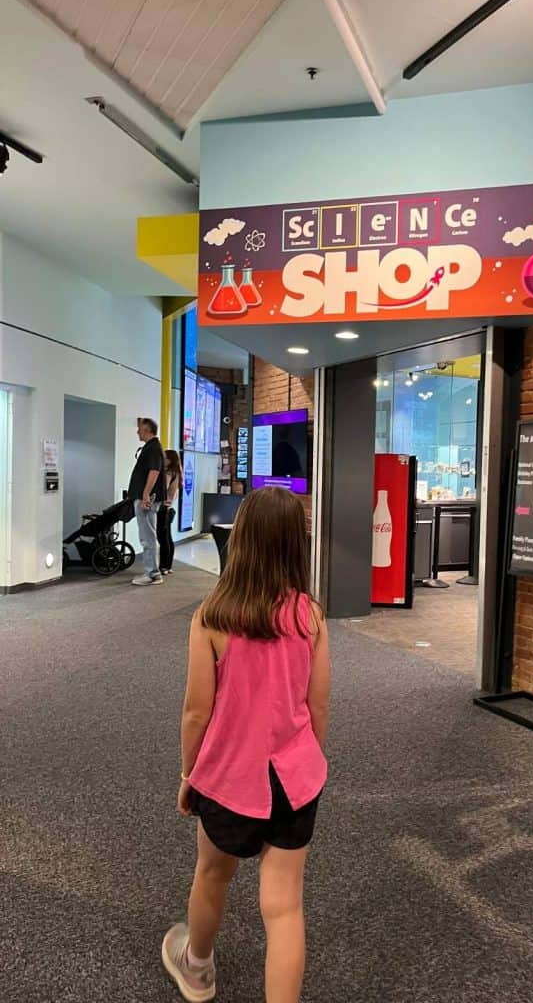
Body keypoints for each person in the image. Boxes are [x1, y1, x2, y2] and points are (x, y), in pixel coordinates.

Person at [162, 487, 330, 1003]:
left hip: (229, 779)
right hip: (293, 780)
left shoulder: (213, 616)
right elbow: (317, 707)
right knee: (283, 909)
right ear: (293, 545)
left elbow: (196, 712)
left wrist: (191, 775)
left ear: (242, 540)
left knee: (213, 872)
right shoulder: (309, 616)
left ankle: (196, 968)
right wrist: (305, 766)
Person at [129, 417, 166, 587]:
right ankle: (152, 571)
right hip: (146, 496)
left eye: (140, 429)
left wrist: (145, 494)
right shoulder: (151, 448)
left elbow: (154, 471)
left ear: (147, 430)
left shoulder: (153, 449)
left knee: (147, 536)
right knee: (147, 535)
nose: (138, 432)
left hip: (147, 498)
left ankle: (152, 573)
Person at [158, 449, 182, 575]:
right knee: (168, 537)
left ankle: (163, 566)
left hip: (162, 508)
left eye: (164, 457)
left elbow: (163, 489)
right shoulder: (177, 473)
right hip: (169, 508)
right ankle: (168, 566)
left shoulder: (168, 472)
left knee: (162, 538)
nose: (163, 459)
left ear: (170, 459)